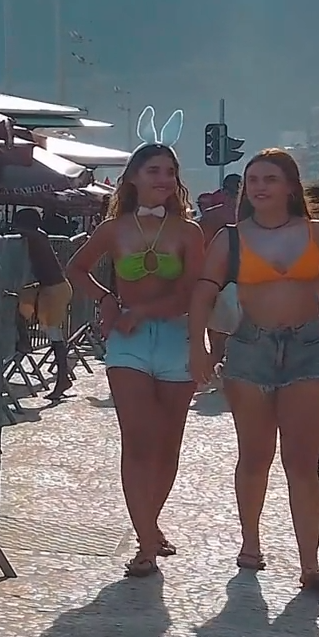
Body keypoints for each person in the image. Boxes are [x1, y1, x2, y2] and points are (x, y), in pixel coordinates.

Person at [189, 148, 319, 590]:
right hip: (250, 349)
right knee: (255, 456)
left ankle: (309, 562)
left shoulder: (316, 233)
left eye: (270, 179)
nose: (259, 186)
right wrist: (198, 346)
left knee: (303, 461)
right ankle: (251, 542)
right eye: (253, 179)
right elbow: (203, 291)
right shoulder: (230, 238)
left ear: (290, 187)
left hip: (307, 347)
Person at [67, 111, 204, 578]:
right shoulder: (115, 229)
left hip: (175, 338)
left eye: (170, 172)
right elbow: (76, 269)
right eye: (154, 171)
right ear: (133, 178)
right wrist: (106, 299)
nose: (164, 179)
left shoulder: (189, 232)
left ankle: (151, 524)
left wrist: (138, 310)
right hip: (127, 345)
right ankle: (145, 543)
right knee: (138, 442)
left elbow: (190, 292)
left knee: (168, 448)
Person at [12, 208, 74, 402]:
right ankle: (24, 341)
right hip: (48, 288)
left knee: (53, 333)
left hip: (55, 289)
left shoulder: (38, 236)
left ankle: (62, 378)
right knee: (20, 305)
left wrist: (15, 230)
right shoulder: (37, 236)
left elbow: (29, 233)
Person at [199, 174, 242, 369]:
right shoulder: (251, 216)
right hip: (239, 277)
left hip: (215, 278)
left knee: (217, 341)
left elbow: (201, 250)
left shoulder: (211, 216)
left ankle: (216, 373)